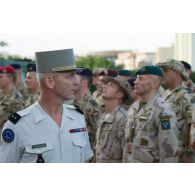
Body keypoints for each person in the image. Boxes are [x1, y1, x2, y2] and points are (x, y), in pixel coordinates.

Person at [0, 48, 93, 163]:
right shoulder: (18, 126)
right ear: (49, 81)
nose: (76, 82)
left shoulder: (77, 117)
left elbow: (85, 160)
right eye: (69, 76)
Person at [123, 66, 178, 163]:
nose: (135, 82)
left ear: (154, 83)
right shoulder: (133, 107)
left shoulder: (164, 111)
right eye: (136, 78)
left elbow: (169, 152)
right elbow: (128, 144)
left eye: (141, 78)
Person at [157, 59, 195, 162]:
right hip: (167, 150)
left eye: (166, 71)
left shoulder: (186, 95)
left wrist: (189, 152)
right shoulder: (165, 94)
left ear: (177, 72)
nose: (162, 74)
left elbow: (193, 124)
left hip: (182, 153)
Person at [95, 75, 131, 163]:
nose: (104, 86)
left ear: (120, 94)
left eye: (110, 85)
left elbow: (128, 155)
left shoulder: (124, 119)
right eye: (106, 84)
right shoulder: (103, 115)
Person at [74, 67, 101, 152]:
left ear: (84, 83)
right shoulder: (70, 102)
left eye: (74, 79)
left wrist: (95, 152)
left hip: (87, 153)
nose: (70, 81)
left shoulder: (92, 105)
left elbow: (99, 132)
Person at [0, 66, 25, 135]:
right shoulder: (2, 94)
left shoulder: (17, 99)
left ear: (10, 78)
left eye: (0, 77)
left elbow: (17, 126)